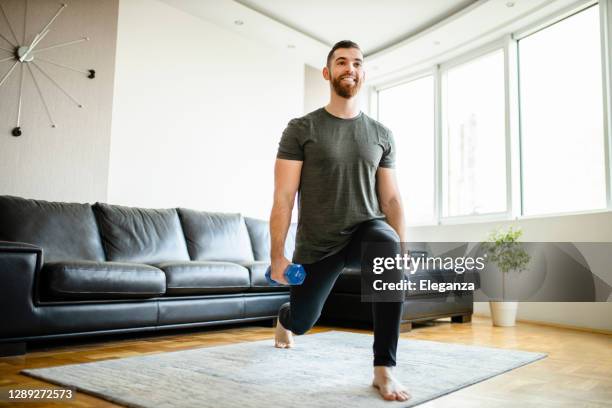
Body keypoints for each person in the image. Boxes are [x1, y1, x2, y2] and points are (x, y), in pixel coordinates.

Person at [269, 40, 410, 402]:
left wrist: (402, 250)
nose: (351, 68)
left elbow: (391, 199)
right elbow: (284, 198)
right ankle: (285, 319)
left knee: (386, 245)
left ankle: (384, 369)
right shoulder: (302, 129)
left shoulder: (381, 134)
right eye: (342, 62)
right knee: (303, 321)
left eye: (358, 63)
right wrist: (277, 257)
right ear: (328, 72)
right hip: (318, 243)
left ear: (363, 73)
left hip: (366, 229)